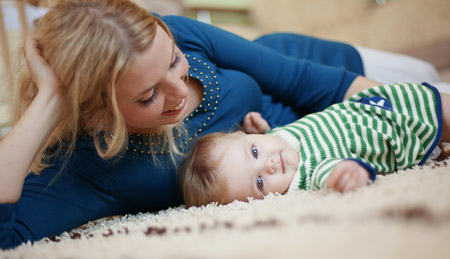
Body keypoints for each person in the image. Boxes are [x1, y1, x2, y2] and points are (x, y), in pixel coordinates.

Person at [0, 0, 444, 249]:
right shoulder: (90, 163)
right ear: (99, 114)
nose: (177, 90)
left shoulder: (180, 31)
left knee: (428, 80)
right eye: (148, 95)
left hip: (324, 79)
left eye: (175, 62)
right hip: (328, 152)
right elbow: (7, 233)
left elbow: (302, 79)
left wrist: (390, 106)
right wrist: (51, 100)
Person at [179, 83, 450, 207]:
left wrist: (262, 130)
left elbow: (274, 136)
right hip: (401, 130)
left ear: (244, 135)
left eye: (254, 151)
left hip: (379, 102)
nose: (269, 164)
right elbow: (328, 171)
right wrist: (346, 172)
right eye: (260, 182)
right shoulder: (304, 178)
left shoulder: (276, 138)